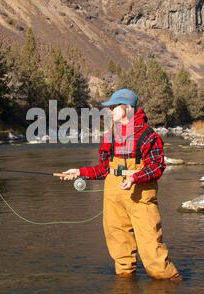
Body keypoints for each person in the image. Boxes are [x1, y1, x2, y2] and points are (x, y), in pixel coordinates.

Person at [59, 88, 181, 281]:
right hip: (113, 196)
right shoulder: (111, 135)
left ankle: (170, 287)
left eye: (114, 107)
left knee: (154, 257)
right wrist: (80, 172)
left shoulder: (149, 136)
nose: (110, 111)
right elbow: (105, 168)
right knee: (122, 259)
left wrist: (135, 177)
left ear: (127, 108)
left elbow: (157, 166)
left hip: (140, 196)